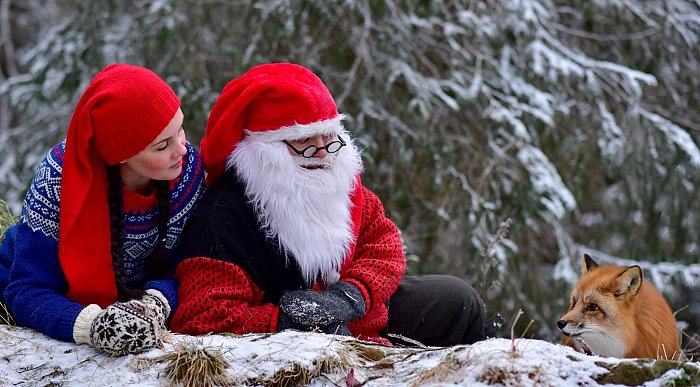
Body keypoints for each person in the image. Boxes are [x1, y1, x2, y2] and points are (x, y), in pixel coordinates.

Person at [170, 63, 485, 346]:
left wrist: (352, 295)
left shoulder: (337, 180)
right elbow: (203, 316)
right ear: (264, 150)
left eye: (328, 138)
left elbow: (383, 245)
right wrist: (288, 322)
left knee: (459, 300)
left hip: (361, 317)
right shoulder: (223, 217)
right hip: (284, 345)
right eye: (305, 141)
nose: (322, 152)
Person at [0, 64, 205, 355]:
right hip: (56, 294)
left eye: (180, 128)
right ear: (121, 156)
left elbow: (191, 263)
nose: (183, 148)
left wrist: (156, 302)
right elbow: (26, 289)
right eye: (162, 146)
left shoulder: (187, 170)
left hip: (138, 295)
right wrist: (93, 325)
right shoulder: (58, 180)